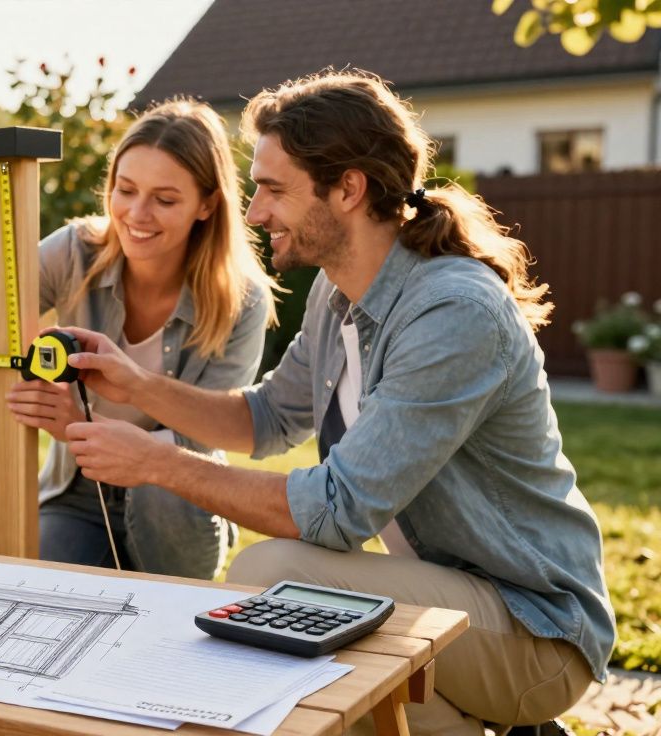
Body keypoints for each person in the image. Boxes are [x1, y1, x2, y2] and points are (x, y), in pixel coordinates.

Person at [57, 70, 614, 734]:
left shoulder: (452, 311)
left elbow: (338, 510)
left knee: (271, 576)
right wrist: (137, 384)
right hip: (455, 601)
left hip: (535, 631)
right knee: (313, 669)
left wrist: (159, 464)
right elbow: (264, 419)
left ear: (348, 188)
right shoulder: (337, 292)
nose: (256, 211)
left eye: (273, 189)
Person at [6, 98, 278, 580]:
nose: (136, 213)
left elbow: (204, 435)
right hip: (78, 492)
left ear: (207, 204)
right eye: (125, 190)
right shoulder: (73, 251)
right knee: (50, 588)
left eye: (165, 199)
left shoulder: (243, 299)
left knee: (164, 608)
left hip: (176, 496)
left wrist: (76, 425)